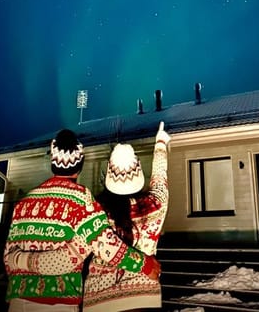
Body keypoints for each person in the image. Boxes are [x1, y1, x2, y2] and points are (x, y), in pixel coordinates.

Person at [14, 122, 171, 311]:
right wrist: (160, 144)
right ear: (79, 166)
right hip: (68, 301)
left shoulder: (24, 204)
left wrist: (19, 261)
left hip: (88, 301)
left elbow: (9, 256)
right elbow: (101, 246)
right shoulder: (85, 203)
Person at [83, 120, 170, 311]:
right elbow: (160, 177)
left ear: (108, 175)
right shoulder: (156, 204)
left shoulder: (94, 211)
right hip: (144, 297)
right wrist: (160, 144)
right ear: (138, 172)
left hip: (99, 299)